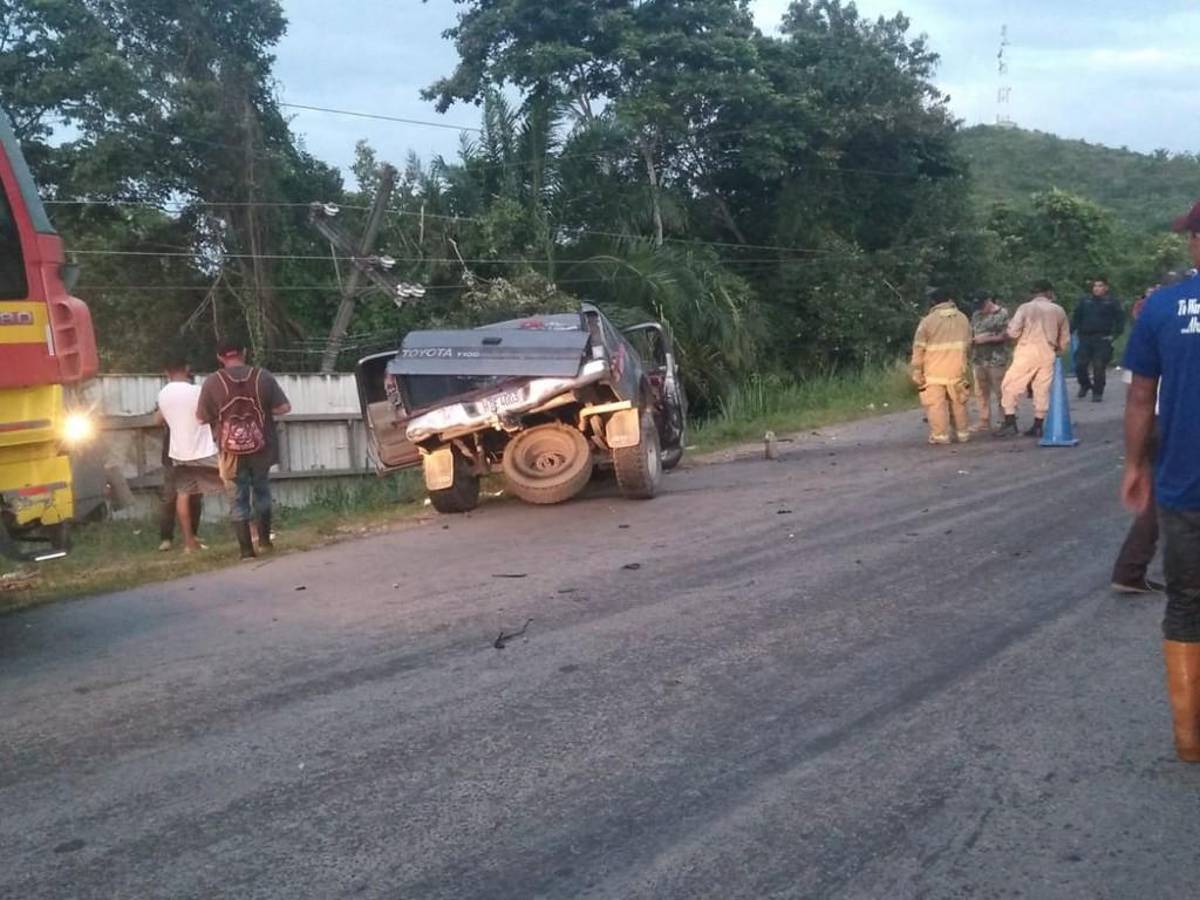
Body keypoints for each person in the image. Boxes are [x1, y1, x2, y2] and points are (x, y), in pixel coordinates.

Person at [1121, 197, 1200, 763]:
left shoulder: (1162, 308)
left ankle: (1189, 739)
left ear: (1195, 242)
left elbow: (1141, 397)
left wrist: (1133, 465)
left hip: (1184, 484)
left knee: (1187, 603)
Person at [197, 340, 291, 559]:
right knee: (262, 491)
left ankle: (246, 551)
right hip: (262, 447)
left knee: (237, 498)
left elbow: (201, 418)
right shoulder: (263, 377)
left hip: (230, 452)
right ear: (244, 352)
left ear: (220, 358)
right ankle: (265, 542)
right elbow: (284, 408)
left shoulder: (212, 382)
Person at [1111, 288, 1163, 594]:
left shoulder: (1144, 337)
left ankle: (1130, 569)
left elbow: (1136, 395)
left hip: (1151, 422)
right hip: (1178, 420)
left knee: (1156, 498)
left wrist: (1134, 458)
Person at [155, 358, 223, 553]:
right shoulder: (198, 391)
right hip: (204, 450)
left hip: (178, 453)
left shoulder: (163, 395)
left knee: (182, 495)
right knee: (234, 482)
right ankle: (251, 532)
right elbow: (209, 414)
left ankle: (188, 542)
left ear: (166, 371)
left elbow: (158, 419)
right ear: (187, 368)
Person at [994, 280, 1070, 438]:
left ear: (1033, 293)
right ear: (1048, 292)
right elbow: (1064, 338)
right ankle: (1038, 424)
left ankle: (1010, 422)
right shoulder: (1058, 310)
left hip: (1027, 350)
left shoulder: (1025, 308)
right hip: (1048, 351)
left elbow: (1013, 332)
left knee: (1010, 385)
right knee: (1041, 389)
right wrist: (1059, 350)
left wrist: (1007, 336)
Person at [910, 287, 971, 445]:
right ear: (949, 299)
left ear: (933, 302)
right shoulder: (963, 318)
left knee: (936, 404)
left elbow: (918, 347)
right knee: (958, 402)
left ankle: (940, 436)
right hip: (957, 369)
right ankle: (962, 434)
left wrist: (917, 370)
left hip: (934, 371)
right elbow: (968, 343)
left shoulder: (928, 321)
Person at [1072, 276, 1125, 402]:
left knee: (1099, 365)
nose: (1097, 288)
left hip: (1103, 338)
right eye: (1095, 286)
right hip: (1085, 337)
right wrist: (1069, 331)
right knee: (1080, 364)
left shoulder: (1111, 302)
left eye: (1100, 286)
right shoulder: (1085, 301)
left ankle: (1098, 392)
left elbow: (1120, 319)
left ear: (1106, 288)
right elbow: (1076, 318)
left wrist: (1115, 334)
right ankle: (1085, 384)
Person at [157, 422, 203, 552]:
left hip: (194, 452)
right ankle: (166, 538)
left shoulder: (197, 401)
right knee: (170, 497)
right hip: (172, 454)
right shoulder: (167, 401)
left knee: (195, 496)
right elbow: (157, 418)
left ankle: (193, 536)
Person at [969, 290, 1010, 432]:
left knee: (1001, 391)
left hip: (996, 359)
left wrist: (987, 338)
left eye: (982, 305)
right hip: (979, 359)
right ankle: (984, 420)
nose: (980, 308)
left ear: (988, 301)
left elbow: (1006, 335)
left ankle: (1005, 419)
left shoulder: (1002, 314)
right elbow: (972, 331)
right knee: (981, 392)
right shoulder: (976, 314)